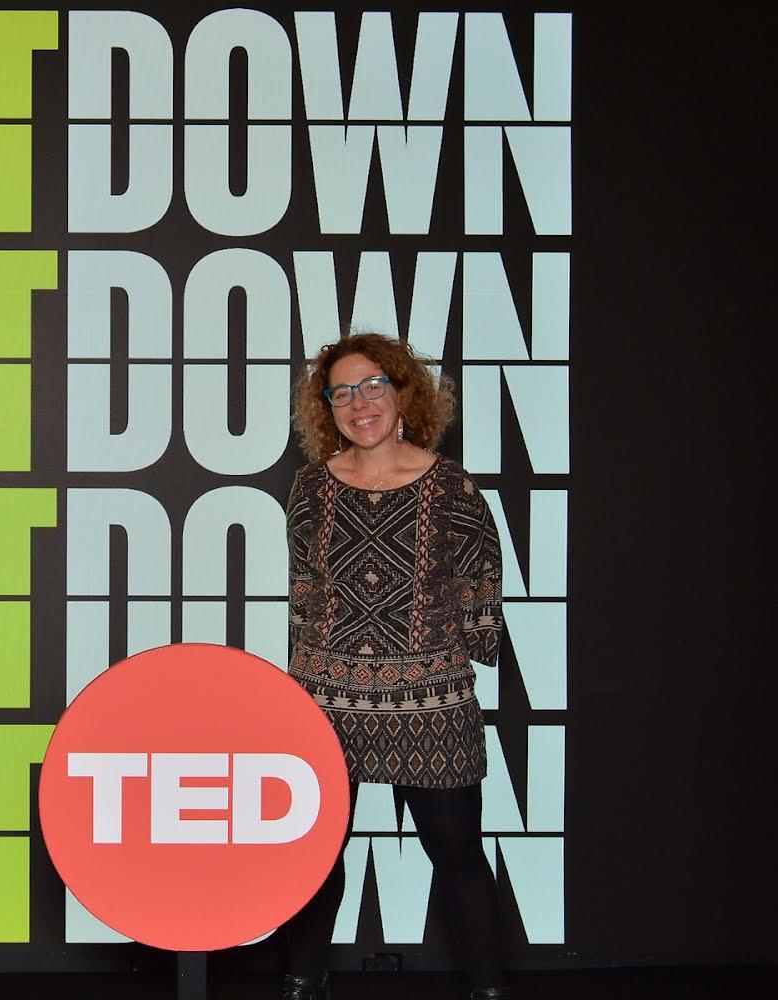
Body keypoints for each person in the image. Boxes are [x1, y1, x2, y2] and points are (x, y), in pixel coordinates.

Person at [280, 333, 508, 1000]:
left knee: (459, 856)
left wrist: (448, 661)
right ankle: (303, 983)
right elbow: (304, 592)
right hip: (327, 703)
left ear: (404, 392)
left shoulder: (452, 486)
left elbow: (479, 586)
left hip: (430, 703)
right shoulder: (310, 488)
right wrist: (303, 685)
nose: (360, 404)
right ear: (328, 410)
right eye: (342, 393)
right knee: (315, 858)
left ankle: (488, 991)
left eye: (373, 385)